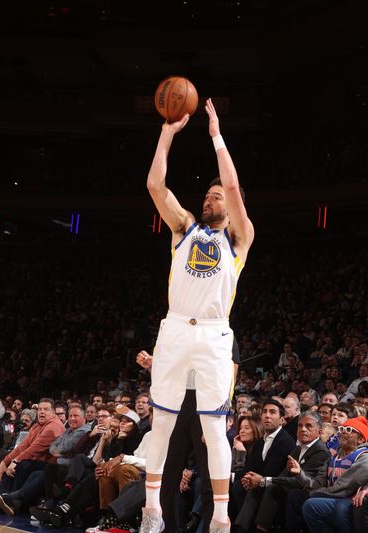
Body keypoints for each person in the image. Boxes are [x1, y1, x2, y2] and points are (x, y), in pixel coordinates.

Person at [141, 98, 255, 533]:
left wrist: (216, 138)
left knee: (213, 427)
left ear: (231, 201)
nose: (209, 199)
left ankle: (221, 516)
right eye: (206, 194)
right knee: (163, 419)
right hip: (174, 326)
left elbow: (231, 181)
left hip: (213, 335)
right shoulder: (184, 227)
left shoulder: (240, 238)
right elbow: (155, 185)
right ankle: (152, 507)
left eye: (216, 195)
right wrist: (167, 135)